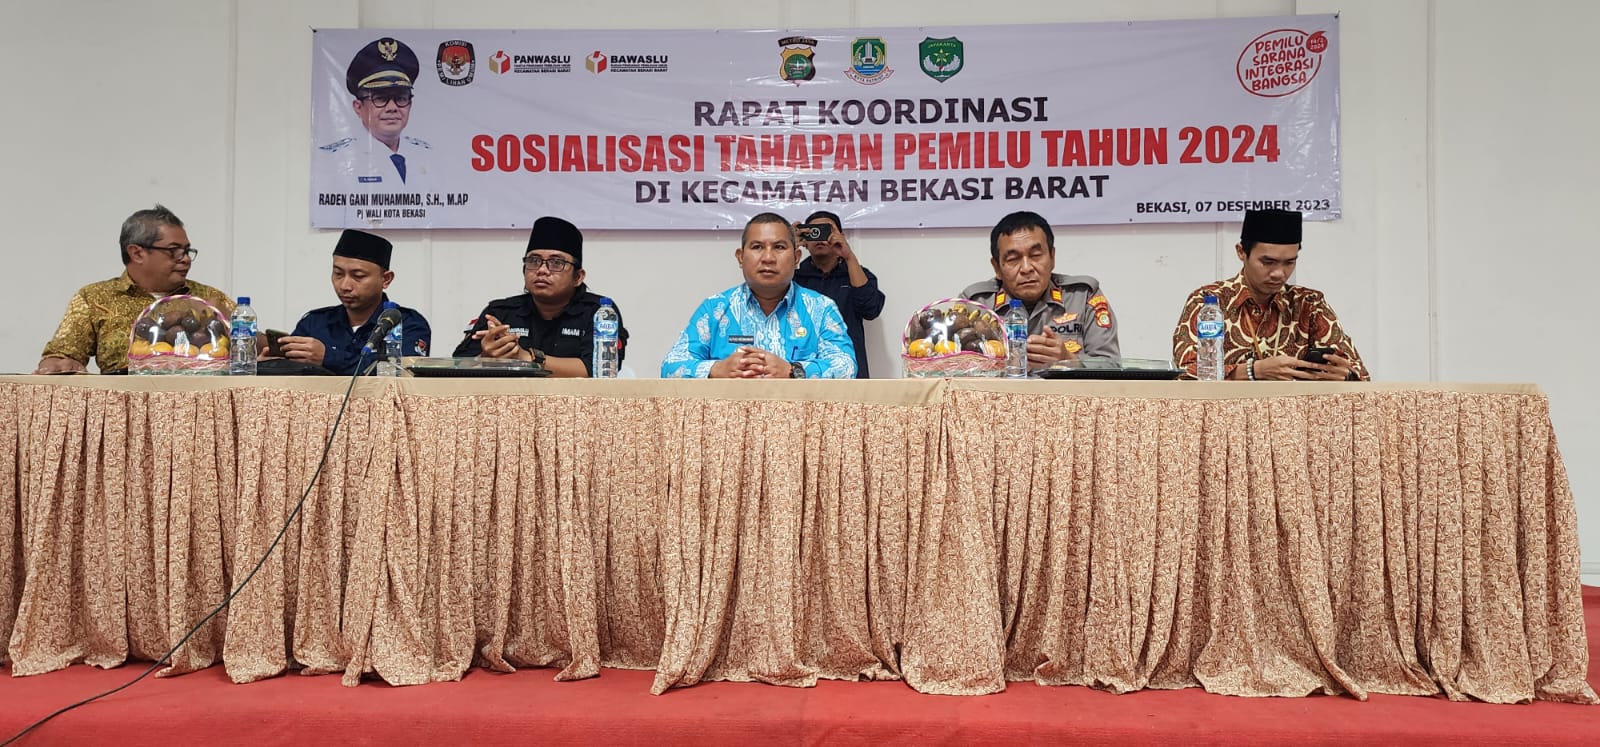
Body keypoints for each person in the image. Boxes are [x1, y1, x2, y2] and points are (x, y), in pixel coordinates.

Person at [1171, 208, 1369, 381]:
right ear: (1241, 252)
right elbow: (1184, 372)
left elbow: (1360, 373)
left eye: (1289, 262)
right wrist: (1252, 371)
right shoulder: (1209, 301)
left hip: (1294, 411)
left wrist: (1345, 376)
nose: (1279, 273)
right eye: (1268, 262)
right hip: (1227, 411)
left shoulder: (1308, 304)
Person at [36, 205, 233, 374]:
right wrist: (59, 365)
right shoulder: (94, 298)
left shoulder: (209, 298)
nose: (186, 259)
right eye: (174, 250)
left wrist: (227, 321)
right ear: (137, 253)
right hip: (119, 403)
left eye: (187, 251)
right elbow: (61, 356)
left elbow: (250, 352)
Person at [661, 213, 856, 379]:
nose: (768, 258)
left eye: (779, 247)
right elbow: (671, 366)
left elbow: (846, 367)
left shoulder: (821, 308)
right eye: (757, 247)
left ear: (796, 258)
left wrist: (793, 371)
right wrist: (716, 369)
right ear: (740, 257)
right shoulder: (715, 309)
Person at [453, 216, 628, 377]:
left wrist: (526, 357)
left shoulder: (600, 313)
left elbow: (600, 370)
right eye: (534, 261)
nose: (542, 270)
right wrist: (486, 357)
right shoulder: (501, 312)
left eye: (556, 263)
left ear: (578, 277)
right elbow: (456, 366)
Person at [959, 211, 1120, 371]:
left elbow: (1112, 365)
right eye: (1013, 259)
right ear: (997, 267)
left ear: (1052, 257)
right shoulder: (975, 305)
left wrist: (1070, 361)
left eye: (1036, 255)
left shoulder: (1082, 297)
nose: (1026, 268)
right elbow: (954, 367)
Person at [280, 229, 431, 375]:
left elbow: (402, 373)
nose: (345, 286)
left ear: (386, 279)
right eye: (338, 274)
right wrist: (273, 362)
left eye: (358, 276)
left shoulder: (408, 324)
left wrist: (328, 358)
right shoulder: (314, 323)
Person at [317, 37, 432, 190]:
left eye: (401, 98)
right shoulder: (332, 159)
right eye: (380, 98)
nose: (392, 107)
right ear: (358, 107)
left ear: (410, 105)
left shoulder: (427, 155)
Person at [792, 210, 885, 378]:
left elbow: (871, 310)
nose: (820, 237)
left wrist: (849, 257)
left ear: (841, 236)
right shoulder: (794, 279)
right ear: (805, 241)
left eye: (826, 230)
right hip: (802, 370)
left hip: (849, 372)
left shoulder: (857, 274)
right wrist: (788, 246)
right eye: (813, 232)